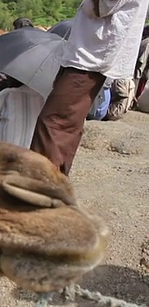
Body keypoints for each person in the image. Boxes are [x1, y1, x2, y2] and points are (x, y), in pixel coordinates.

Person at [29, 0, 149, 176]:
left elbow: (103, 7)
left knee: (54, 123)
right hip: (90, 54)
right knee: (65, 124)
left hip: (90, 56)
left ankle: (41, 188)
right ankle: (52, 185)